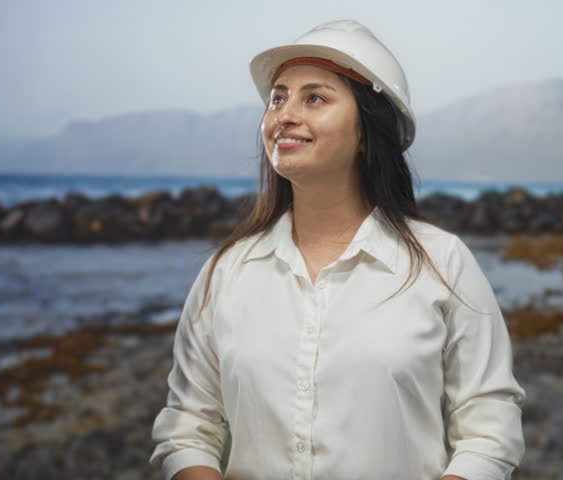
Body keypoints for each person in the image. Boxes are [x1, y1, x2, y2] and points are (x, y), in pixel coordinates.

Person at [149, 19, 525, 480]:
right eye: (278, 97)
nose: (284, 115)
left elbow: (489, 427)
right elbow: (189, 428)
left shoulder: (442, 263)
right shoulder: (225, 272)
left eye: (315, 98)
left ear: (367, 130)